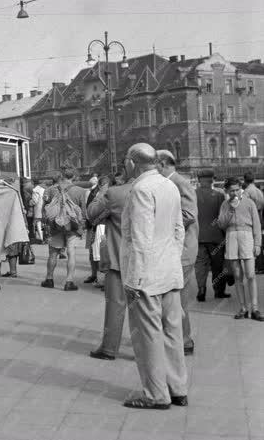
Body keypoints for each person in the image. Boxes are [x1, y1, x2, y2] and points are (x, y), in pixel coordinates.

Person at [121, 143, 187, 410]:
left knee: (147, 335)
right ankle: (178, 388)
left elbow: (140, 238)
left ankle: (156, 394)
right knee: (173, 332)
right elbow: (179, 228)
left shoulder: (140, 189)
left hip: (146, 275)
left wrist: (134, 281)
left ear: (132, 162)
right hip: (170, 271)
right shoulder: (169, 185)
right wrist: (172, 259)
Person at [87, 171, 134, 361]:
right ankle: (146, 350)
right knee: (147, 310)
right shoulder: (165, 188)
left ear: (131, 165)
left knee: (115, 305)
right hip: (150, 261)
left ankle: (109, 348)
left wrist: (103, 190)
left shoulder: (117, 193)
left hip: (119, 258)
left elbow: (91, 214)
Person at [156, 150, 198, 356]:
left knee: (179, 299)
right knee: (174, 298)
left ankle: (185, 341)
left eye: (155, 165)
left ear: (163, 164)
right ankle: (179, 339)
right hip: (176, 250)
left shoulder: (179, 182)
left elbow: (189, 214)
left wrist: (161, 218)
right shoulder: (171, 183)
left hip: (183, 251)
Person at [217, 177, 263, 321]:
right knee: (237, 276)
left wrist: (257, 244)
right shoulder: (225, 205)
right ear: (227, 191)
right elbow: (221, 225)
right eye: (232, 190)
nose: (235, 193)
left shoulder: (249, 203)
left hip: (247, 237)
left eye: (237, 189)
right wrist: (230, 208)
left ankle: (255, 308)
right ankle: (243, 308)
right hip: (231, 238)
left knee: (250, 274)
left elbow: (257, 224)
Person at [41, 166, 88, 291]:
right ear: (74, 176)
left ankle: (49, 279)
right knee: (71, 252)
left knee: (53, 253)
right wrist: (82, 226)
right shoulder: (80, 191)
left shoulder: (50, 190)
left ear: (61, 175)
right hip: (72, 226)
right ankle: (69, 281)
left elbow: (44, 210)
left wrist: (46, 224)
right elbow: (84, 212)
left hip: (55, 226)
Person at [194, 169, 231, 301]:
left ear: (199, 179)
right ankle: (218, 291)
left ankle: (201, 290)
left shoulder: (193, 194)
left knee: (200, 265)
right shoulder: (219, 195)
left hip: (198, 236)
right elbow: (223, 218)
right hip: (216, 237)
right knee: (217, 265)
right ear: (212, 179)